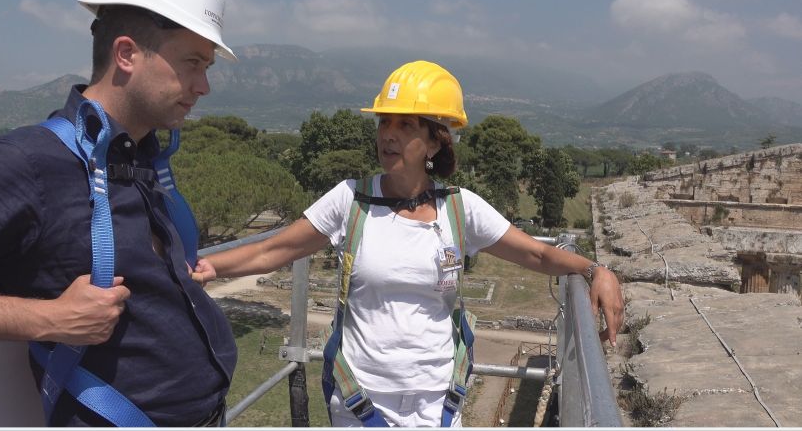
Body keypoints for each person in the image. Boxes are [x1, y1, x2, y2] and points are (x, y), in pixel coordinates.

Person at [0, 0, 238, 426]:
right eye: (192, 63)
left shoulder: (138, 157)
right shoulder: (27, 164)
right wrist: (47, 319)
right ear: (126, 55)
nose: (203, 86)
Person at [193, 60, 625, 428]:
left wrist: (593, 270)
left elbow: (536, 252)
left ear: (436, 139)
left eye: (405, 124)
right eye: (384, 122)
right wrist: (211, 267)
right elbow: (276, 249)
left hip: (438, 400)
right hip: (360, 398)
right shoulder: (351, 199)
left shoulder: (459, 209)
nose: (388, 135)